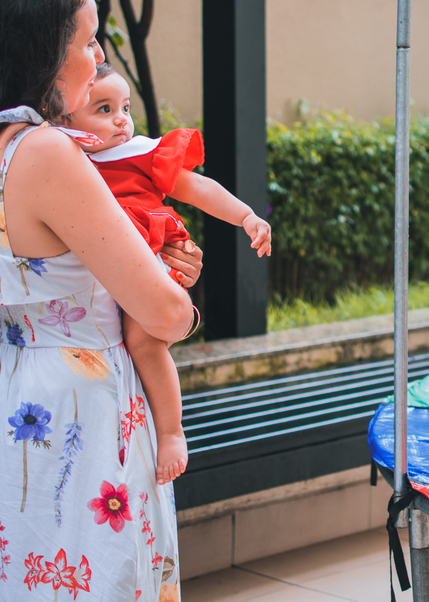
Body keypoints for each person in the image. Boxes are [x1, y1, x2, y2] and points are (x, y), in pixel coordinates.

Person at [0, 0, 202, 599]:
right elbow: (159, 312)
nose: (98, 54)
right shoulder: (46, 152)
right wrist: (182, 306)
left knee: (4, 570)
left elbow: (26, 279)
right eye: (86, 40)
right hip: (74, 412)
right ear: (42, 55)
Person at [59, 63, 271, 484]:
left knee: (144, 342)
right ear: (65, 119)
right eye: (103, 109)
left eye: (124, 106)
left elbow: (197, 188)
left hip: (145, 259)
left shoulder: (135, 151)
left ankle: (172, 431)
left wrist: (246, 216)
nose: (121, 119)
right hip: (89, 293)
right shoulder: (60, 159)